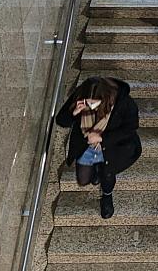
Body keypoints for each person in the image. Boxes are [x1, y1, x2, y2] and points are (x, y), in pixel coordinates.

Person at [56, 77, 141, 219]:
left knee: (107, 176)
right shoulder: (82, 94)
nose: (90, 105)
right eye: (88, 101)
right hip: (86, 147)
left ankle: (106, 196)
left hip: (113, 148)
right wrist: (74, 113)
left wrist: (102, 138)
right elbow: (61, 120)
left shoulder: (124, 103)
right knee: (83, 180)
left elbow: (130, 128)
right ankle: (97, 169)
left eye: (94, 102)